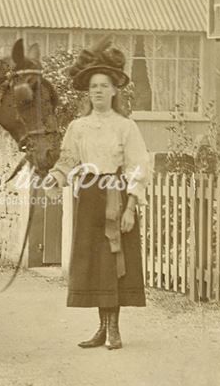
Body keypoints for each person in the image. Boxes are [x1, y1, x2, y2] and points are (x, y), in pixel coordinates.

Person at [45, 36, 149, 350]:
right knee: (94, 264)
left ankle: (114, 329)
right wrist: (54, 179)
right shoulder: (78, 127)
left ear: (115, 90)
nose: (98, 91)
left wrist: (131, 207)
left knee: (114, 262)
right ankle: (102, 329)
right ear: (87, 93)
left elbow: (137, 166)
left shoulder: (125, 126)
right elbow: (67, 160)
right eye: (93, 87)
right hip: (88, 198)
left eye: (104, 86)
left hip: (116, 197)